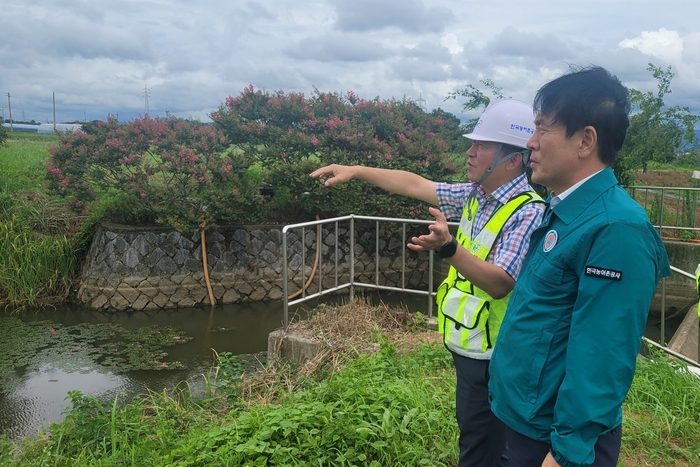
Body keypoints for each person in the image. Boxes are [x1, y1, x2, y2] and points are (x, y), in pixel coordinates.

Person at [310, 99, 545, 467]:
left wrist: (448, 247)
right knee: (484, 439)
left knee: (482, 446)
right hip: (470, 345)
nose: (469, 152)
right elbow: (414, 183)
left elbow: (501, 283)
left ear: (512, 159)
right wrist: (356, 170)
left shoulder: (527, 211)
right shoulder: (476, 196)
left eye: (481, 145)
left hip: (496, 354)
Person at [488, 66, 672, 467]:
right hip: (526, 418)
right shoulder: (567, 209)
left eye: (542, 129)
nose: (530, 144)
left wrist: (567, 453)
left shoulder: (616, 229)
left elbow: (602, 356)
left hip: (554, 441)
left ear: (585, 140)